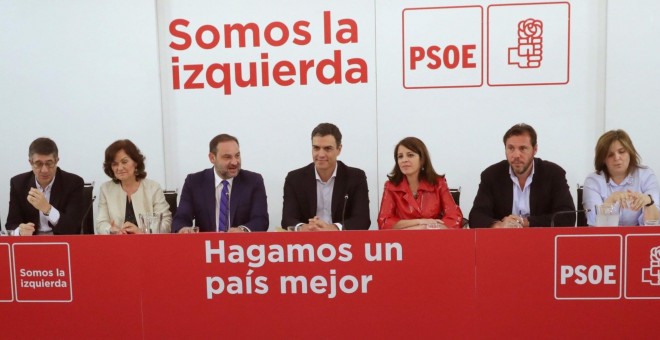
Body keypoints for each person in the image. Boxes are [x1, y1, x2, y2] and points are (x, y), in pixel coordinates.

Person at [469, 123, 575, 228]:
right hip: (503, 241)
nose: (516, 155)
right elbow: (476, 217)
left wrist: (525, 222)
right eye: (511, 148)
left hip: (542, 240)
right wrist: (499, 225)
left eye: (523, 148)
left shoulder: (554, 174)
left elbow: (567, 217)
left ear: (535, 150)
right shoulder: (491, 175)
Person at [282, 123, 370, 231]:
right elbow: (287, 219)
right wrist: (303, 228)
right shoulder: (294, 178)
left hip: (344, 243)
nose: (321, 154)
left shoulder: (356, 177)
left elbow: (362, 220)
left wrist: (333, 228)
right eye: (316, 148)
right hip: (306, 243)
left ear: (339, 149)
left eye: (327, 148)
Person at [172, 134, 268, 233]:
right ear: (212, 158)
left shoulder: (253, 181)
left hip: (240, 246)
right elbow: (181, 218)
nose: (235, 162)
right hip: (206, 246)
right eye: (227, 157)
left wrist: (243, 230)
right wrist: (183, 229)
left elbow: (260, 219)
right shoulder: (194, 182)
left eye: (237, 155)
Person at [378, 137, 463, 229]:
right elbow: (384, 221)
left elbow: (455, 218)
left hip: (434, 238)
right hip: (402, 241)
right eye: (400, 156)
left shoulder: (438, 183)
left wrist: (429, 228)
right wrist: (420, 223)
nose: (404, 160)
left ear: (422, 159)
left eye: (410, 155)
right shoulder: (391, 186)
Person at [6, 137, 84, 235]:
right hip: (30, 243)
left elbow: (73, 227)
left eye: (49, 163)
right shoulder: (18, 183)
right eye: (38, 164)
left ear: (56, 161)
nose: (44, 170)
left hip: (61, 241)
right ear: (30, 162)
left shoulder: (73, 183)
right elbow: (11, 224)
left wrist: (47, 209)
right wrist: (20, 231)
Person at [583, 129, 660, 226]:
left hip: (638, 238)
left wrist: (648, 202)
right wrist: (610, 201)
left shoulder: (646, 175)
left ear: (630, 153)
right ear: (603, 159)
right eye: (610, 155)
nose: (617, 158)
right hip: (605, 239)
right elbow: (594, 223)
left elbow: (653, 224)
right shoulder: (593, 181)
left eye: (622, 152)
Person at [96, 139, 172, 234]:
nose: (119, 168)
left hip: (147, 245)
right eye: (115, 164)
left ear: (135, 162)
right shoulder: (106, 189)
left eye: (124, 162)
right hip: (117, 245)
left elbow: (166, 223)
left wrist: (142, 232)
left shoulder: (153, 187)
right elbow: (101, 223)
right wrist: (111, 230)